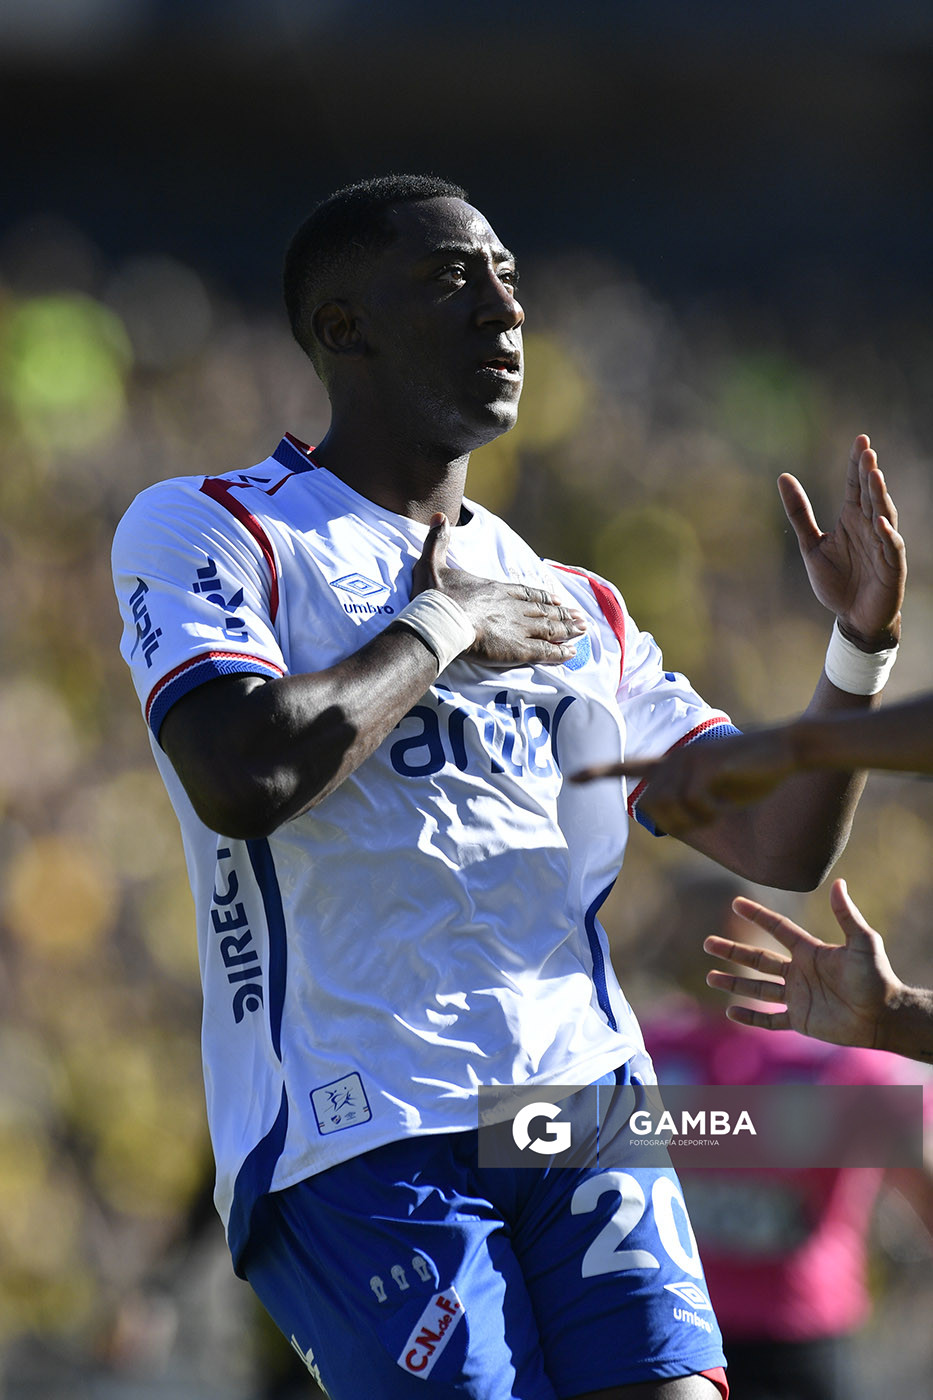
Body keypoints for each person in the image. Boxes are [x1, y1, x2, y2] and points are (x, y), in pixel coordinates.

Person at [111, 173, 905, 1400]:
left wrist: (855, 658)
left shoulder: (577, 601)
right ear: (341, 327)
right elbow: (246, 769)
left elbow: (781, 840)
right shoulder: (214, 531)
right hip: (363, 1116)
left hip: (577, 1102)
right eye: (451, 279)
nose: (502, 309)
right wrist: (441, 624)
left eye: (510, 282)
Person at [640, 873, 933, 1400]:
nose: (687, 940)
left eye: (711, 925)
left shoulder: (838, 1061)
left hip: (798, 1341)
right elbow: (531, 1149)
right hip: (674, 1334)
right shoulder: (644, 1051)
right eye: (682, 924)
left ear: (753, 930)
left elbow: (923, 1185)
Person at [703, 879, 933, 1064]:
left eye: (686, 916)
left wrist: (891, 1012)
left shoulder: (834, 1064)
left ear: (733, 924)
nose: (669, 935)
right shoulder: (672, 1044)